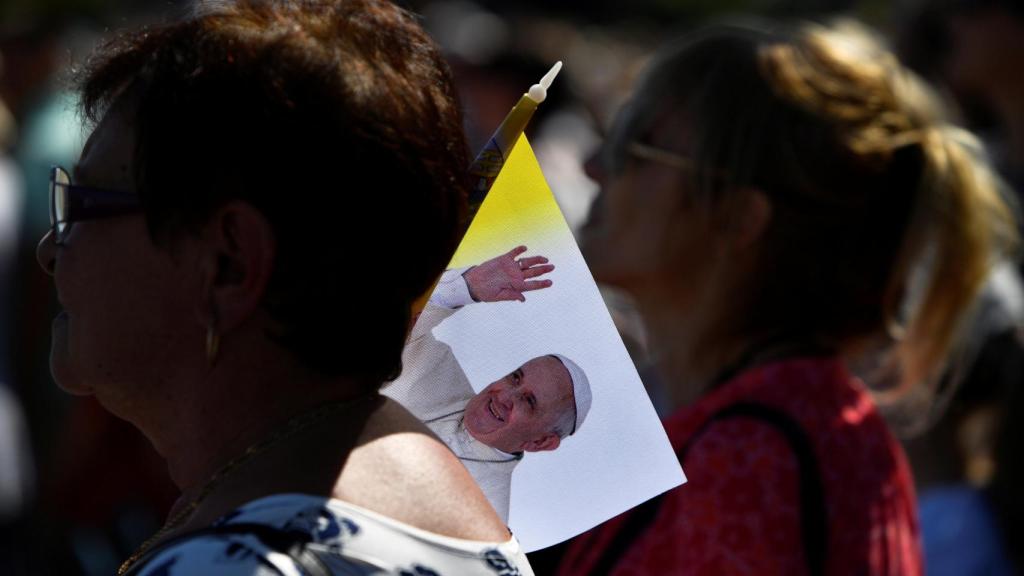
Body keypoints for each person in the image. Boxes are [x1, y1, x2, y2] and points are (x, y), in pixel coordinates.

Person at [34, 1, 535, 574]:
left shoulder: (237, 563)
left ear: (229, 265)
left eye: (84, 206)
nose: (50, 250)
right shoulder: (453, 512)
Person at [555, 20, 1017, 576]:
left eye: (638, 142)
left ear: (737, 217)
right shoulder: (796, 421)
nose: (594, 166)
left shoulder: (751, 459)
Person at [383, 246, 592, 522]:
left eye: (529, 402)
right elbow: (386, 322)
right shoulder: (434, 367)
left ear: (540, 442)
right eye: (515, 378)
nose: (505, 395)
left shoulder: (485, 519)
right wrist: (468, 287)